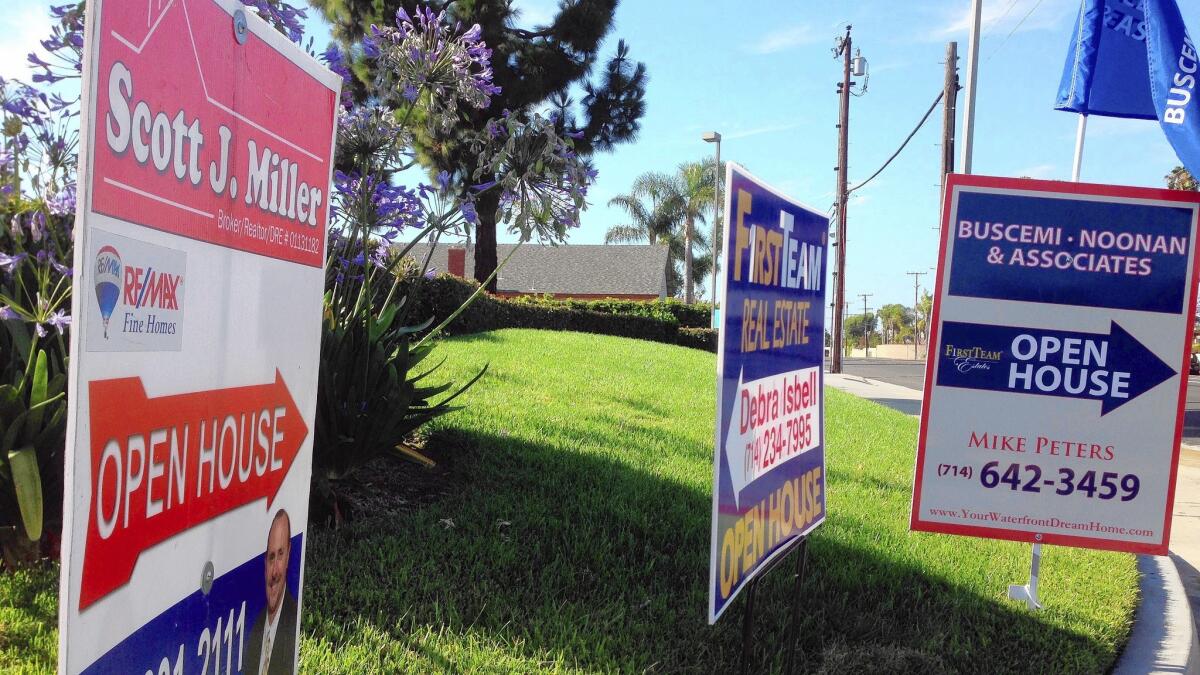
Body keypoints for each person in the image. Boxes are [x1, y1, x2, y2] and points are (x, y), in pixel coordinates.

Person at [243, 509, 298, 675]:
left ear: (289, 555)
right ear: (265, 562)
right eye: (271, 557)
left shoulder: (292, 622)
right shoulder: (253, 631)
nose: (275, 572)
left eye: (280, 554)